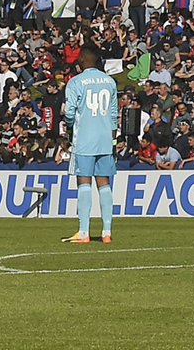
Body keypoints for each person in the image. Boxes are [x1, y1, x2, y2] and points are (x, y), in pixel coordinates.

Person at [63, 46, 119, 244]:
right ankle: (106, 231)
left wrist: (69, 126)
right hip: (104, 139)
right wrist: (113, 139)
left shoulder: (76, 82)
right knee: (104, 183)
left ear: (83, 60)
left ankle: (84, 232)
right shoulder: (110, 82)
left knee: (84, 182)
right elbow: (114, 115)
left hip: (85, 138)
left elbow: (69, 112)